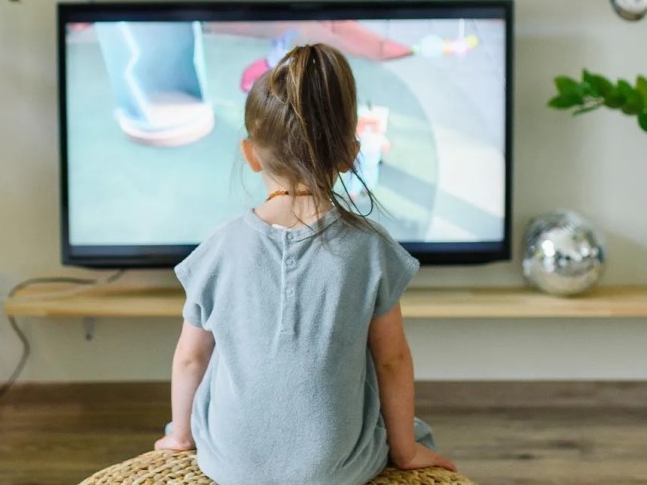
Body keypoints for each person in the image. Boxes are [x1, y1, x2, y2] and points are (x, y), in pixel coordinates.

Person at [154, 43, 456, 484]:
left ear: (251, 154)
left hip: (229, 464)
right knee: (403, 419)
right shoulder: (369, 248)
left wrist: (180, 437)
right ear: (351, 154)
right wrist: (406, 452)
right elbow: (392, 360)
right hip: (335, 470)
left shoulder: (218, 248)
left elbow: (189, 360)